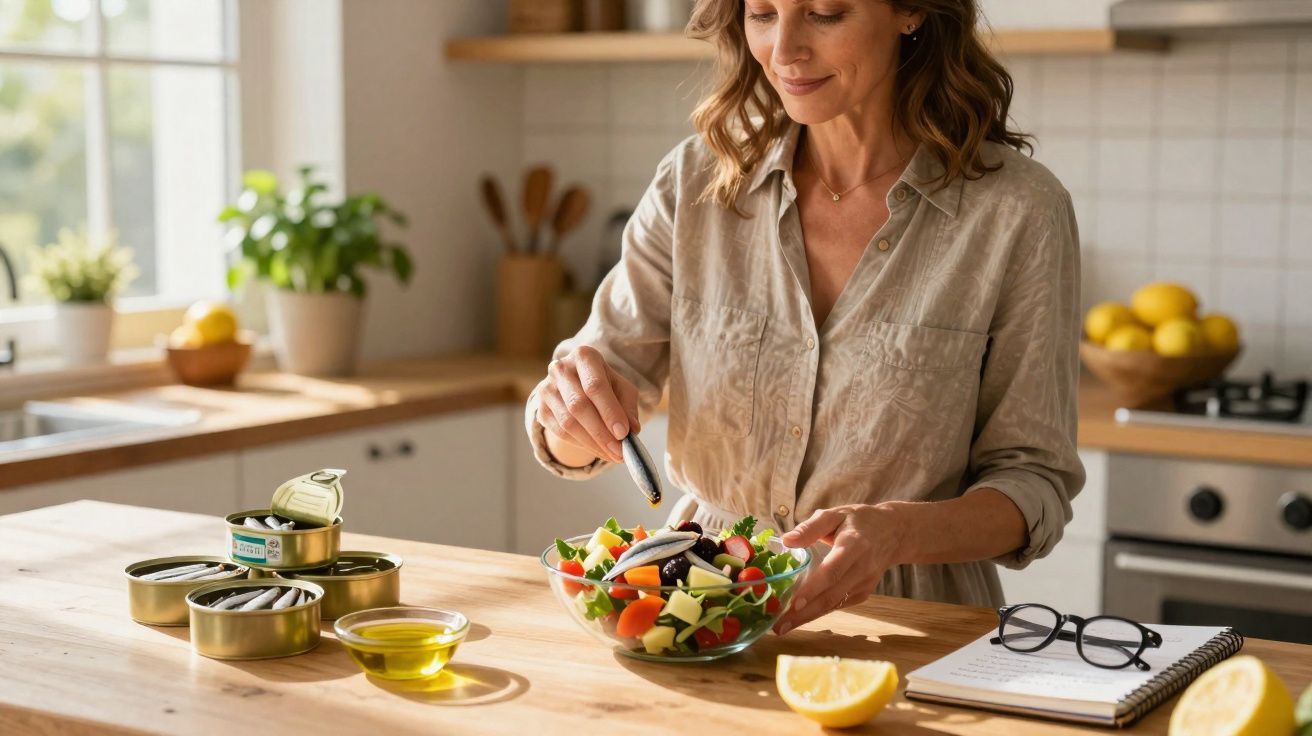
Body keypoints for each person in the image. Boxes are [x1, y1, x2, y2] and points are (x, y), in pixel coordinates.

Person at [523, 0, 1084, 635]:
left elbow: (1033, 482)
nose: (784, 50)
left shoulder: (1019, 211)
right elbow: (589, 408)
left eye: (824, 13)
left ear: (910, 12)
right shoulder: (693, 183)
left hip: (912, 624)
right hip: (706, 607)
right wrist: (569, 412)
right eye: (762, 13)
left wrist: (899, 531)